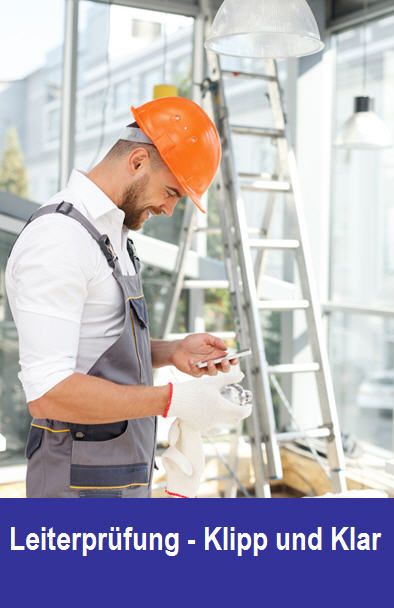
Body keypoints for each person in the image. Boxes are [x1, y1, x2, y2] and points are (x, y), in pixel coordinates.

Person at [5, 97, 251, 498]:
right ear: (138, 161)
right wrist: (176, 400)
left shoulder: (113, 233)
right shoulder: (59, 239)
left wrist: (173, 352)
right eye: (172, 192)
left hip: (117, 475)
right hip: (75, 489)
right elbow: (48, 394)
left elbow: (95, 342)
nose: (170, 209)